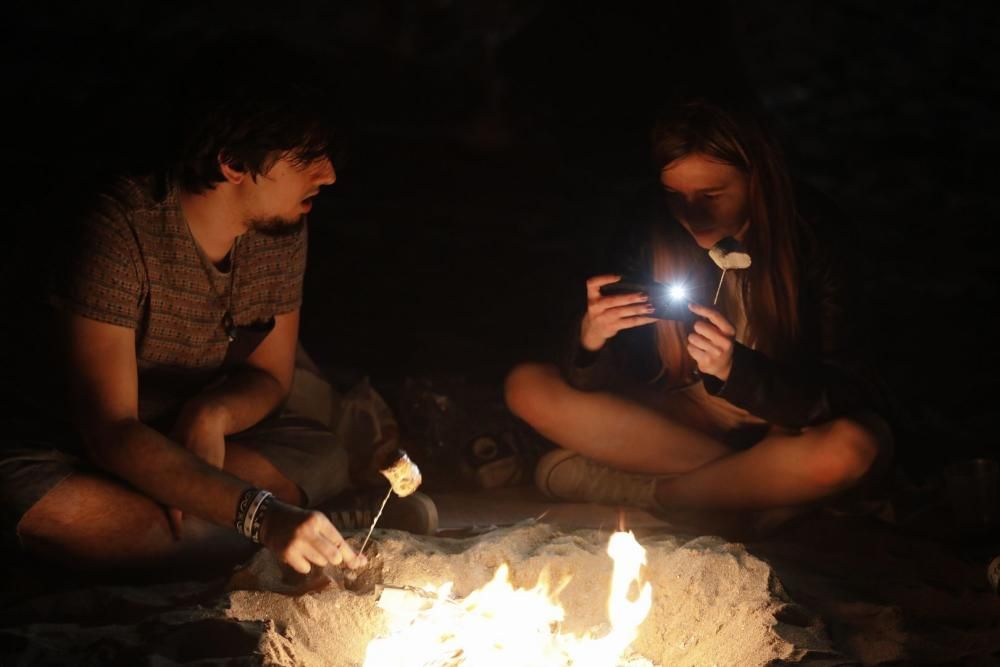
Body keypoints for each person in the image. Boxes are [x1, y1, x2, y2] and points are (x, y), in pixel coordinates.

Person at [0, 33, 432, 576]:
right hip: (66, 447)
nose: (329, 175)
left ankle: (216, 536)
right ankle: (297, 533)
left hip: (180, 435)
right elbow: (110, 430)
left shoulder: (280, 229)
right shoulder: (119, 228)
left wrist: (213, 413)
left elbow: (272, 377)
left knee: (319, 453)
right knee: (34, 505)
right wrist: (257, 514)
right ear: (232, 163)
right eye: (307, 159)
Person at [504, 98, 894, 529]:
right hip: (692, 411)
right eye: (676, 195)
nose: (691, 214)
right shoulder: (651, 226)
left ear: (756, 180)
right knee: (526, 386)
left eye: (712, 195)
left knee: (853, 448)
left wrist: (737, 370)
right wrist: (591, 340)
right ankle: (760, 491)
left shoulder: (816, 235)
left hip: (791, 421)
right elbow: (602, 381)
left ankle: (665, 496)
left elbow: (848, 387)